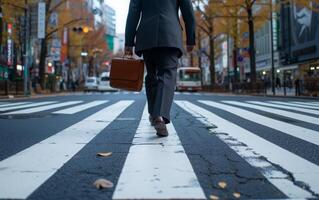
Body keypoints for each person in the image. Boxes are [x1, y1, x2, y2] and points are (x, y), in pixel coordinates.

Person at [125, 0, 196, 137]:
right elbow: (188, 12)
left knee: (151, 75)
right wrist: (190, 39)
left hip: (146, 35)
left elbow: (133, 12)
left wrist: (129, 41)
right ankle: (160, 115)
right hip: (170, 34)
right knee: (167, 74)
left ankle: (153, 113)